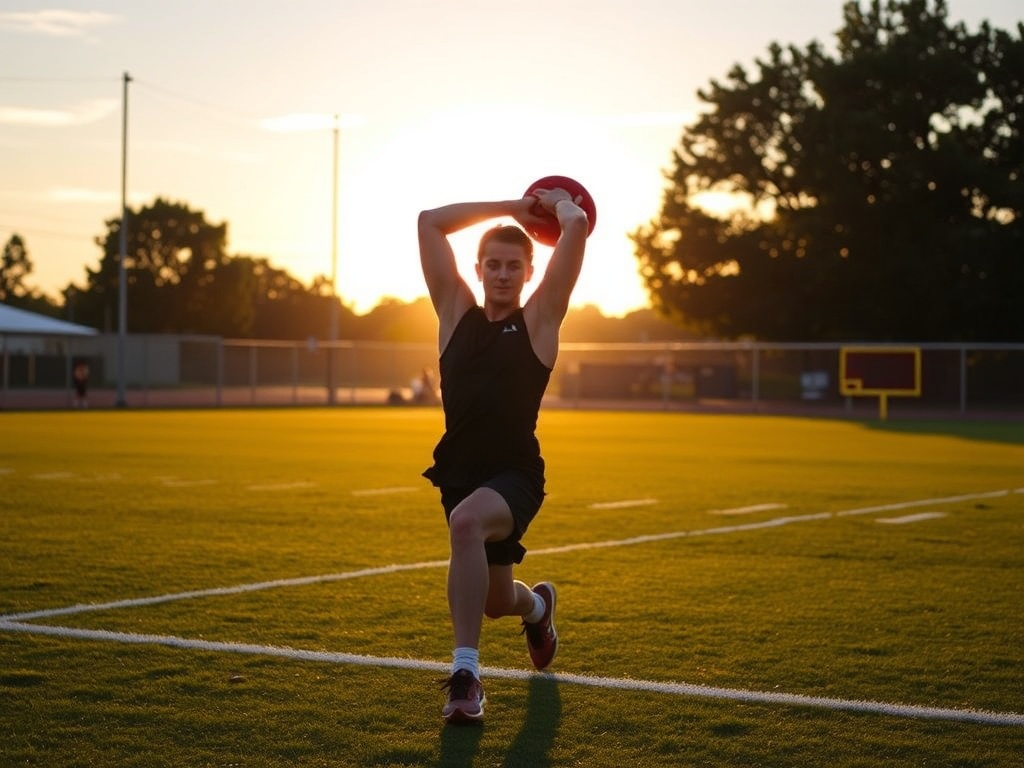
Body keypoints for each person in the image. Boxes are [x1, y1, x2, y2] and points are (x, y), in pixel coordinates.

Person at [418, 186, 589, 724]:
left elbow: (577, 227)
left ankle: (465, 678)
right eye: (492, 264)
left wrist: (560, 207)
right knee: (496, 602)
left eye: (513, 266)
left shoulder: (540, 322)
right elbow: (429, 222)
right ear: (478, 268)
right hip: (459, 472)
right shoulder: (453, 313)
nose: (502, 273)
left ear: (529, 272)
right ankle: (538, 608)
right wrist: (510, 209)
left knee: (466, 525)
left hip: (515, 474)